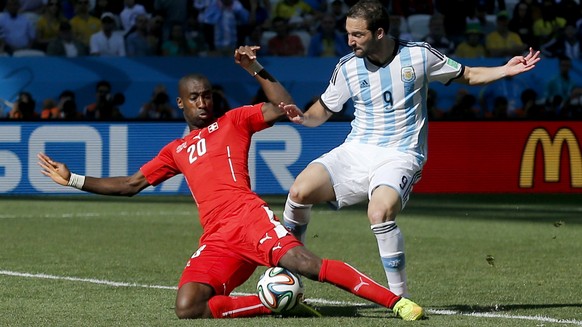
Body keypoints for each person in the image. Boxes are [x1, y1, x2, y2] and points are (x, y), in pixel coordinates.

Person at [36, 45, 425, 321]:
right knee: (188, 307)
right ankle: (271, 304)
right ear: (181, 104)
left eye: (207, 95)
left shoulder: (235, 120)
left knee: (304, 262)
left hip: (248, 217)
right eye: (194, 97)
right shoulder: (176, 150)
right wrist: (73, 180)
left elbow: (284, 107)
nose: (203, 102)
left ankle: (395, 303)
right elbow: (131, 183)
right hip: (217, 237)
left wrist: (255, 70)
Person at [277, 0, 541, 298]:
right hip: (357, 150)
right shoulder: (347, 67)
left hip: (401, 154)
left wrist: (504, 70)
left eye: (357, 35)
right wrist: (303, 117)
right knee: (299, 192)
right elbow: (323, 110)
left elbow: (466, 74)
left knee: (379, 213)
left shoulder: (418, 56)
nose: (349, 41)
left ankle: (398, 298)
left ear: (379, 32)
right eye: (348, 33)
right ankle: (288, 269)